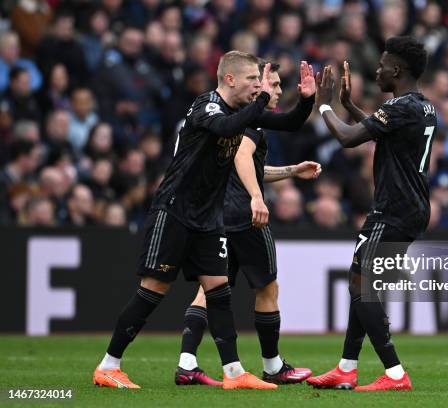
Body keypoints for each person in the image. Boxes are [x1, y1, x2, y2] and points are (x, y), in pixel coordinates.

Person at [92, 51, 314, 390]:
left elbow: (290, 122)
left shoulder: (242, 112)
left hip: (208, 218)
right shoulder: (206, 106)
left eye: (260, 80)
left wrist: (307, 100)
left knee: (219, 290)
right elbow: (227, 128)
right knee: (153, 289)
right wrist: (265, 98)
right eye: (254, 80)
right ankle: (109, 365)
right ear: (229, 79)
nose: (259, 86)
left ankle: (235, 373)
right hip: (175, 211)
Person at [175, 62, 320, 386]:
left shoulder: (235, 118)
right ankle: (272, 365)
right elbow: (242, 157)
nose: (277, 91)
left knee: (209, 290)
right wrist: (257, 197)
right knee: (268, 288)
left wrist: (292, 170)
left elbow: (249, 167)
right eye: (272, 83)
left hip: (218, 216)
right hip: (246, 217)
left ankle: (186, 362)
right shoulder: (248, 123)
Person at [307, 36, 436, 391]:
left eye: (382, 65)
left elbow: (349, 139)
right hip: (411, 206)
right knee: (363, 285)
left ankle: (394, 373)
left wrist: (325, 106)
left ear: (397, 69)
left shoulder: (399, 108)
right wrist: (348, 103)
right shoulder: (421, 106)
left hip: (393, 209)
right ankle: (346, 368)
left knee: (362, 285)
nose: (377, 70)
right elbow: (382, 134)